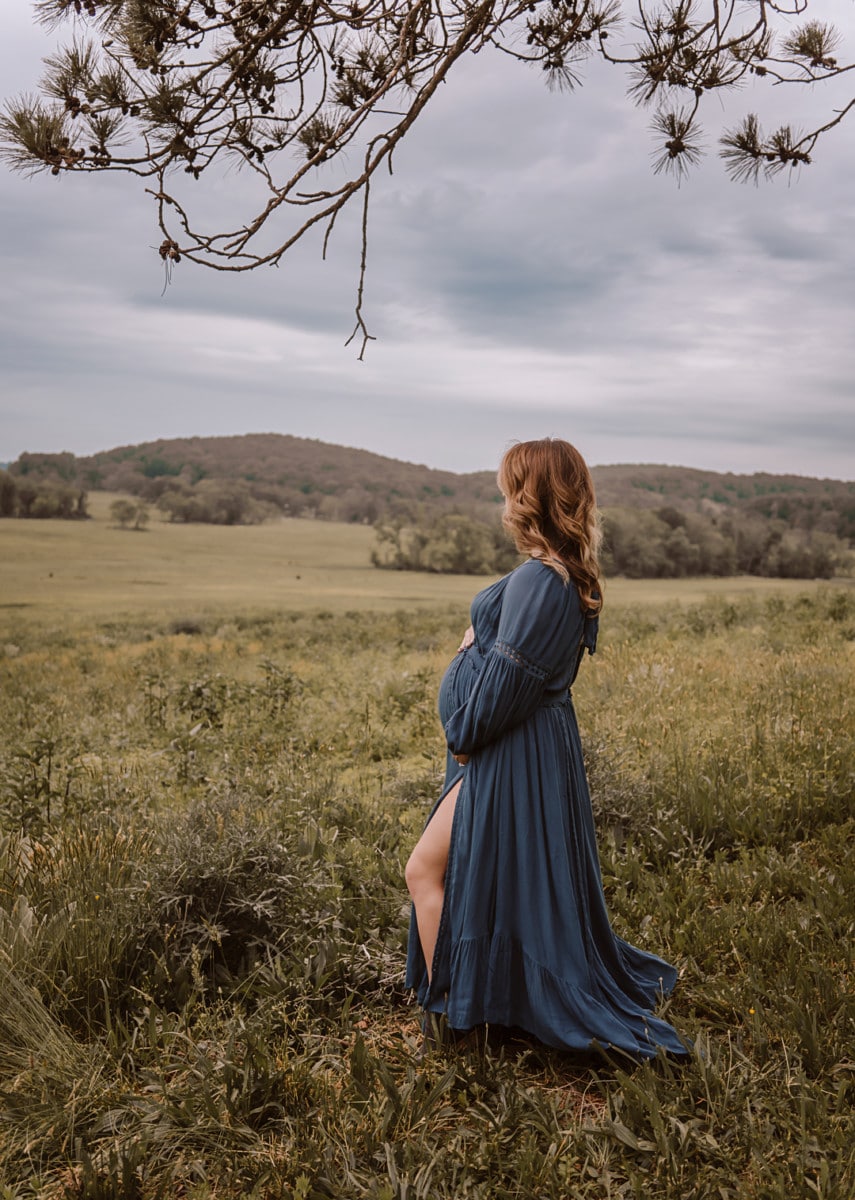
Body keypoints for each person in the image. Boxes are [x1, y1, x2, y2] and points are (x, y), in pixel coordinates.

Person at [404, 438, 687, 1059]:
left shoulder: (542, 580)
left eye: (510, 486)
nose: (503, 498)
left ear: (529, 495)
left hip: (511, 748)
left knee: (425, 868)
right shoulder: (560, 574)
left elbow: (507, 684)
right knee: (499, 879)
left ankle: (461, 1020)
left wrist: (464, 721)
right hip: (527, 745)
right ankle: (485, 1007)